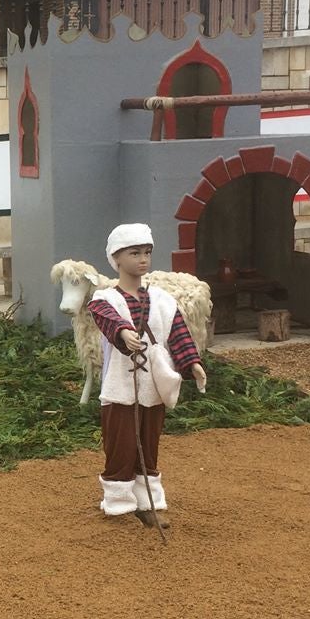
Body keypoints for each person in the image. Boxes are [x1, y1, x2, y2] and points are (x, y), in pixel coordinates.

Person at [86, 223, 207, 528]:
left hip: (152, 387)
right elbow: (107, 319)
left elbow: (178, 335)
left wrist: (192, 363)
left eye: (147, 252)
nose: (143, 259)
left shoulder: (164, 301)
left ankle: (147, 503)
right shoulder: (104, 299)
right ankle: (118, 505)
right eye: (134, 253)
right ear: (116, 258)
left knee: (149, 444)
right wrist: (123, 332)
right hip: (120, 388)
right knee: (120, 444)